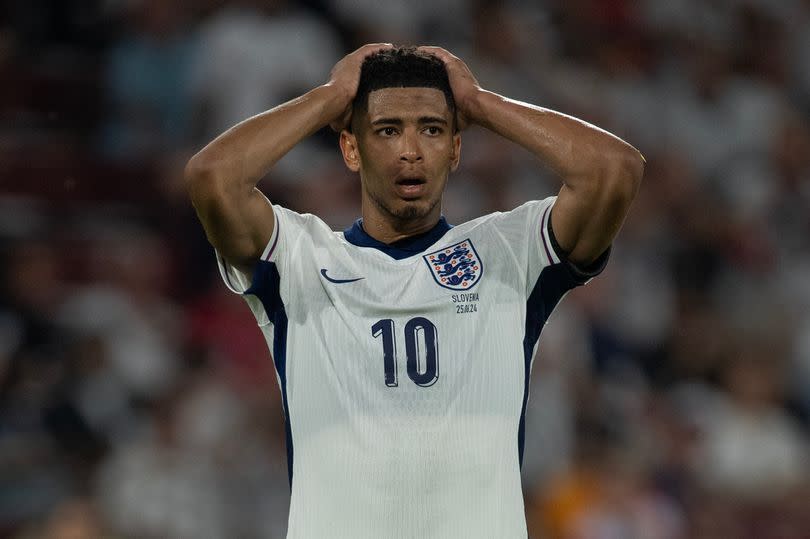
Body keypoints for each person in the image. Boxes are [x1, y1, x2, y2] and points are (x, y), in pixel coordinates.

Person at [185, 43, 644, 539]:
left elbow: (614, 171)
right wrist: (330, 96)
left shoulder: (508, 253)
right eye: (387, 130)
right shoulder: (300, 258)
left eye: (432, 129)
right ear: (350, 148)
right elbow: (213, 179)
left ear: (455, 148)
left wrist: (479, 103)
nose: (411, 150)